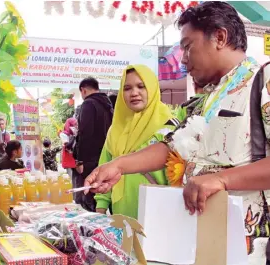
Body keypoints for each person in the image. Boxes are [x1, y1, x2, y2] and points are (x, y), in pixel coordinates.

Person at [84, 2, 270, 264]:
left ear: (219, 37)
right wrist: (119, 165)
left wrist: (222, 179)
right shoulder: (205, 99)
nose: (182, 58)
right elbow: (171, 147)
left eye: (187, 46)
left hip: (250, 248)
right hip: (203, 240)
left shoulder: (263, 81)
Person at [95, 65, 177, 219]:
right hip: (121, 215)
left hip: (158, 216)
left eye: (141, 86)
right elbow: (105, 167)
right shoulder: (116, 130)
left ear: (152, 89)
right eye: (127, 88)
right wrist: (101, 208)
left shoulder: (169, 127)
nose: (134, 93)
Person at [76, 77, 113, 212]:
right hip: (107, 157)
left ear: (83, 90)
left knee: (89, 195)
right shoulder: (108, 104)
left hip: (90, 160)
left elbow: (84, 134)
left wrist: (80, 160)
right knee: (104, 194)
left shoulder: (88, 104)